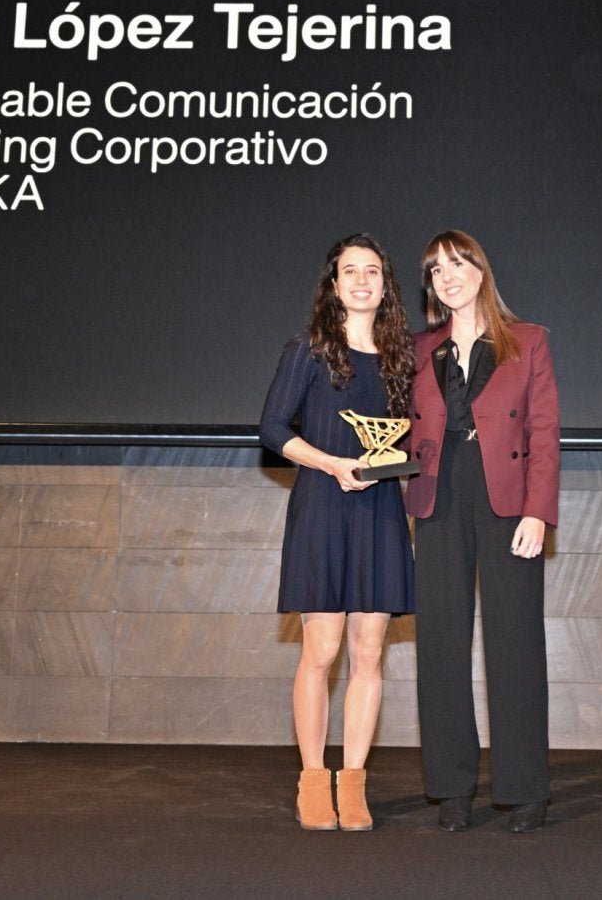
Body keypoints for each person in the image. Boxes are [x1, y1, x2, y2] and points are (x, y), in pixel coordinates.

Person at [404, 229, 560, 833]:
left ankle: (525, 791)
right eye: (436, 269)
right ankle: (451, 788)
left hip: (508, 497)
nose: (447, 275)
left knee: (515, 641)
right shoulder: (419, 348)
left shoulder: (529, 341)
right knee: (440, 642)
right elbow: (394, 425)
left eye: (457, 263)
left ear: (480, 270)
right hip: (439, 490)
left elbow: (543, 433)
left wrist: (536, 512)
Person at [259, 233, 416, 831]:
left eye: (372, 271)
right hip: (323, 506)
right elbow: (273, 428)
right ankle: (312, 781)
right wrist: (330, 464)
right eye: (349, 271)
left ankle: (353, 785)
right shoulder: (308, 350)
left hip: (380, 512)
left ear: (385, 285)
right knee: (321, 652)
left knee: (369, 652)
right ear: (333, 284)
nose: (360, 281)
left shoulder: (406, 357)